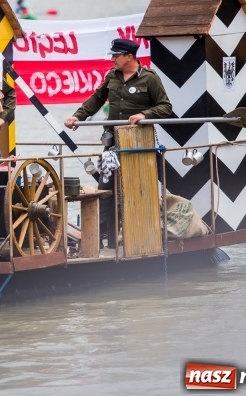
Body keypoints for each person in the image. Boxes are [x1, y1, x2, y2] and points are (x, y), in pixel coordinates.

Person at [63, 39, 172, 248]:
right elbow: (97, 99)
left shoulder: (149, 78)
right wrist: (78, 116)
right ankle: (97, 239)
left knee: (136, 189)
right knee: (105, 189)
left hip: (138, 146)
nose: (112, 59)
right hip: (112, 144)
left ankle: (140, 236)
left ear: (129, 57)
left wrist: (145, 114)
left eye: (116, 55)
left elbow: (165, 106)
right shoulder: (112, 76)